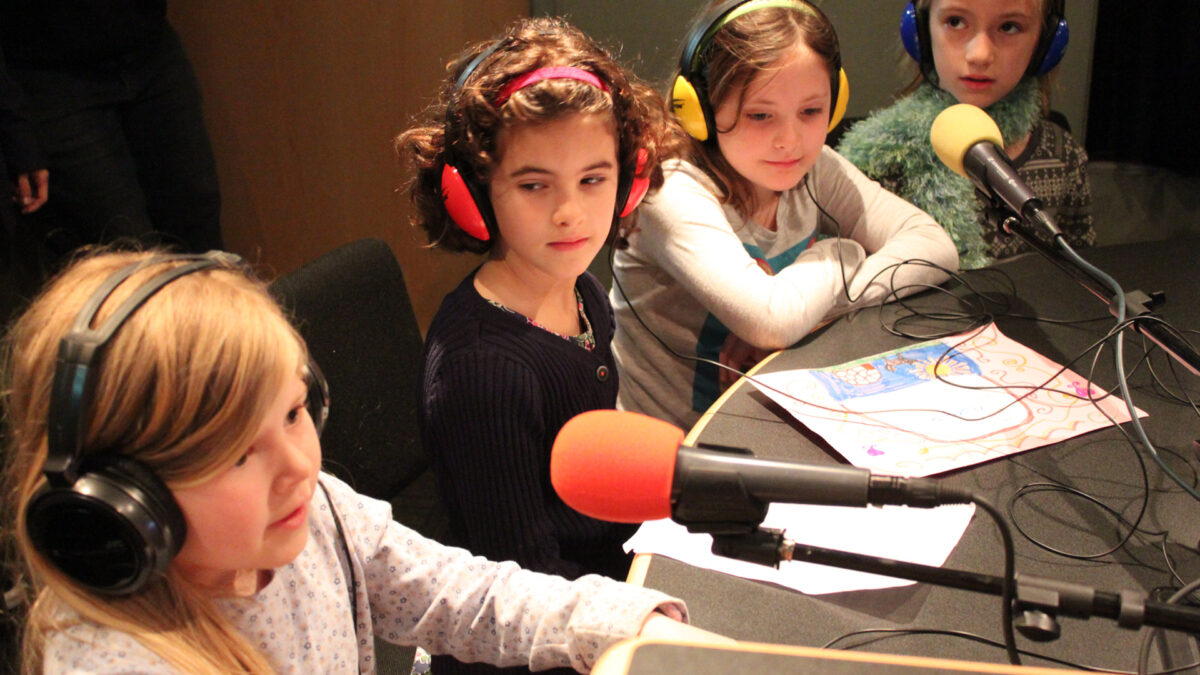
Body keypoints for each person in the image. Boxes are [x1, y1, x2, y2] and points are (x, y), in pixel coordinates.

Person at [0, 249, 719, 674]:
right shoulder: (118, 661)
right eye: (238, 453)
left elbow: (456, 593)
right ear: (127, 500)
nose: (300, 467)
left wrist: (639, 625)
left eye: (292, 412)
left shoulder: (311, 511)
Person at [398, 16, 679, 593]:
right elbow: (522, 587)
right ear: (472, 195)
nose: (570, 212)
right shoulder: (483, 370)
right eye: (534, 185)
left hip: (607, 588)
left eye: (594, 180)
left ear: (630, 180)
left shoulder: (586, 296)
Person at [611, 0, 959, 431]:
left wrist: (813, 311)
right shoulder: (671, 189)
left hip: (767, 431)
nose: (791, 140)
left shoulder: (816, 168)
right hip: (677, 461)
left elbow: (933, 245)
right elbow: (770, 319)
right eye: (760, 115)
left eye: (811, 112)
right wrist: (842, 252)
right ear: (698, 108)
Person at [837, 0, 1094, 268]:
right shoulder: (877, 162)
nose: (980, 54)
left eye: (1008, 26)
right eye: (956, 22)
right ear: (921, 33)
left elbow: (1080, 281)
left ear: (1046, 45)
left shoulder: (1063, 156)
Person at [0, 1, 222, 268]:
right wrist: (14, 128)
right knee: (128, 253)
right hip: (46, 72)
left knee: (201, 234)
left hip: (148, 43)